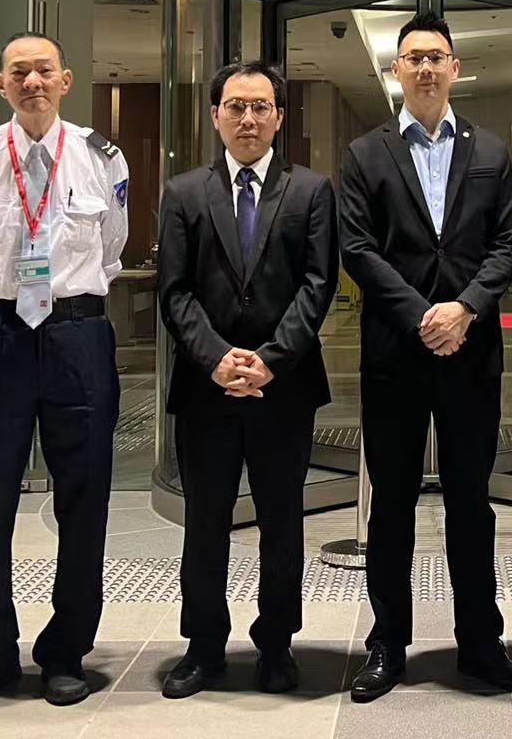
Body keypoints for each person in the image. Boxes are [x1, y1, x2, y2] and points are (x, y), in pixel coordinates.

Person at [338, 11, 512, 703]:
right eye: (413, 57)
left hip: (471, 353)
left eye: (436, 57)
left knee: (470, 504)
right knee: (390, 505)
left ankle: (480, 644)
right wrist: (421, 314)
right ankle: (387, 645)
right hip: (396, 353)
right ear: (397, 70)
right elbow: (357, 248)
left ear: (456, 68)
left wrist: (465, 308)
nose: (425, 67)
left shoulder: (490, 152)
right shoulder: (364, 155)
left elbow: (507, 244)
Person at [0, 32, 129, 711]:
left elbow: (112, 245)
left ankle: (66, 652)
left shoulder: (102, 157)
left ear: (65, 80)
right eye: (18, 73)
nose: (32, 83)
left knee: (84, 499)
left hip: (77, 334)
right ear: (1, 84)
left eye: (43, 71)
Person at [157, 62, 338, 698]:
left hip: (284, 387)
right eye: (235, 106)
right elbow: (175, 290)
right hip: (205, 389)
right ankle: (203, 647)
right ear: (215, 116)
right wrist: (216, 358)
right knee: (205, 522)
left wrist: (270, 359)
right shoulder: (183, 193)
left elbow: (318, 284)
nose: (248, 119)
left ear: (279, 117)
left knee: (282, 521)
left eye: (261, 107)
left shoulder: (311, 191)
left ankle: (277, 644)